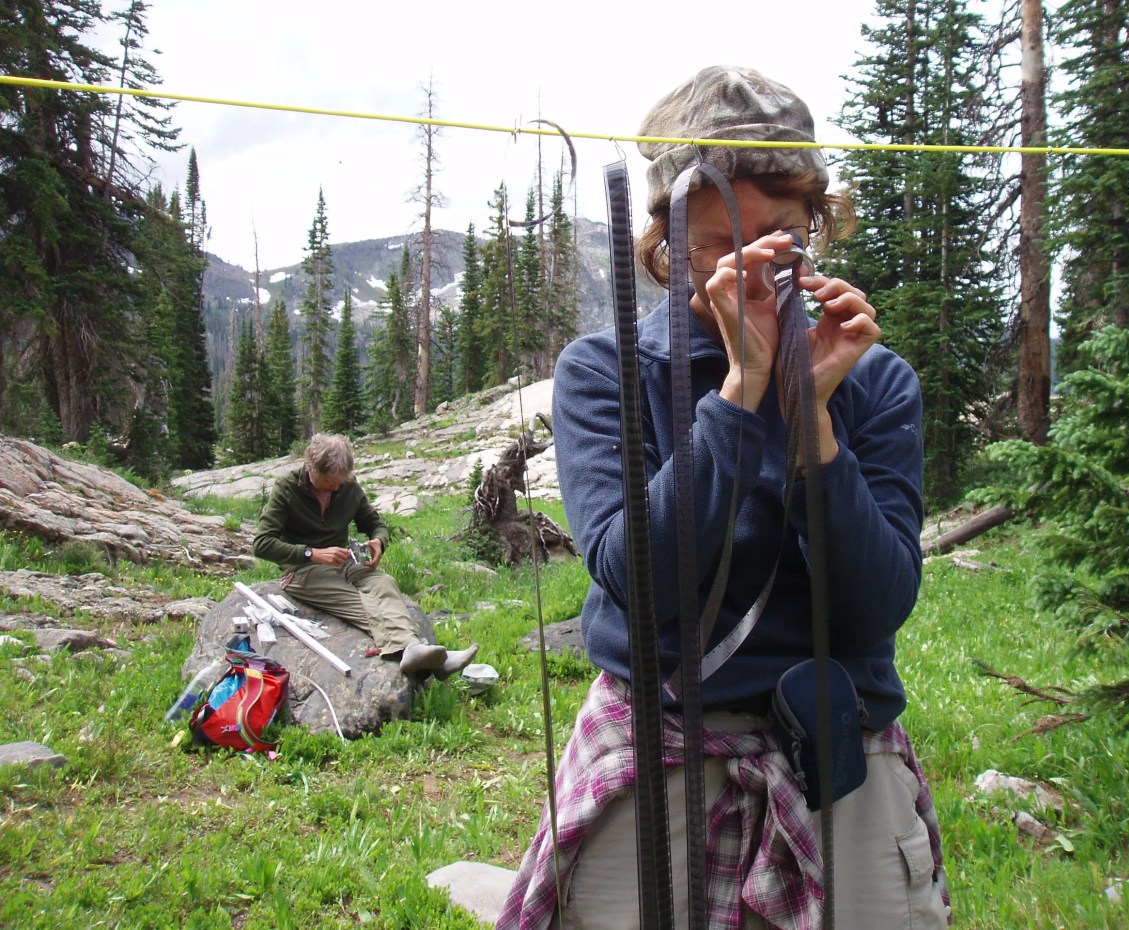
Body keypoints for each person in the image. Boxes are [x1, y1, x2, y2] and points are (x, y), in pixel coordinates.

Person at [499, 66, 950, 929]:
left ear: (814, 225)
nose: (749, 261)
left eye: (779, 231)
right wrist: (742, 390)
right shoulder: (607, 371)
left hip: (837, 741)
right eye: (715, 241)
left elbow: (875, 607)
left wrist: (811, 414)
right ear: (667, 240)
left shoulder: (875, 380)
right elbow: (643, 581)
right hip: (656, 735)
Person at [253, 433, 477, 680]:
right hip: (302, 570)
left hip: (345, 563)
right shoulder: (287, 489)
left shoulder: (347, 486)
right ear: (311, 468)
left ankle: (417, 652)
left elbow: (374, 523)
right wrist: (311, 553)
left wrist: (379, 541)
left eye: (341, 481)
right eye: (329, 482)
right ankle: (430, 659)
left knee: (383, 583)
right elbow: (262, 544)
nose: (336, 487)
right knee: (359, 599)